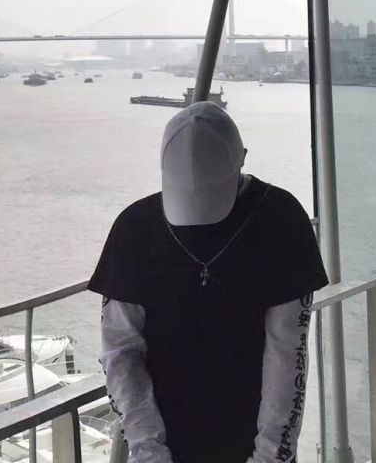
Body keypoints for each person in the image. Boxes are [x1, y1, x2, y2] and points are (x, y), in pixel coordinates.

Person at [89, 101, 328, 463]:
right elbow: (121, 352)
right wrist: (150, 450)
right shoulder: (134, 228)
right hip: (163, 442)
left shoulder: (280, 220)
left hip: (253, 436)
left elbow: (287, 352)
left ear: (244, 158)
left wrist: (269, 456)